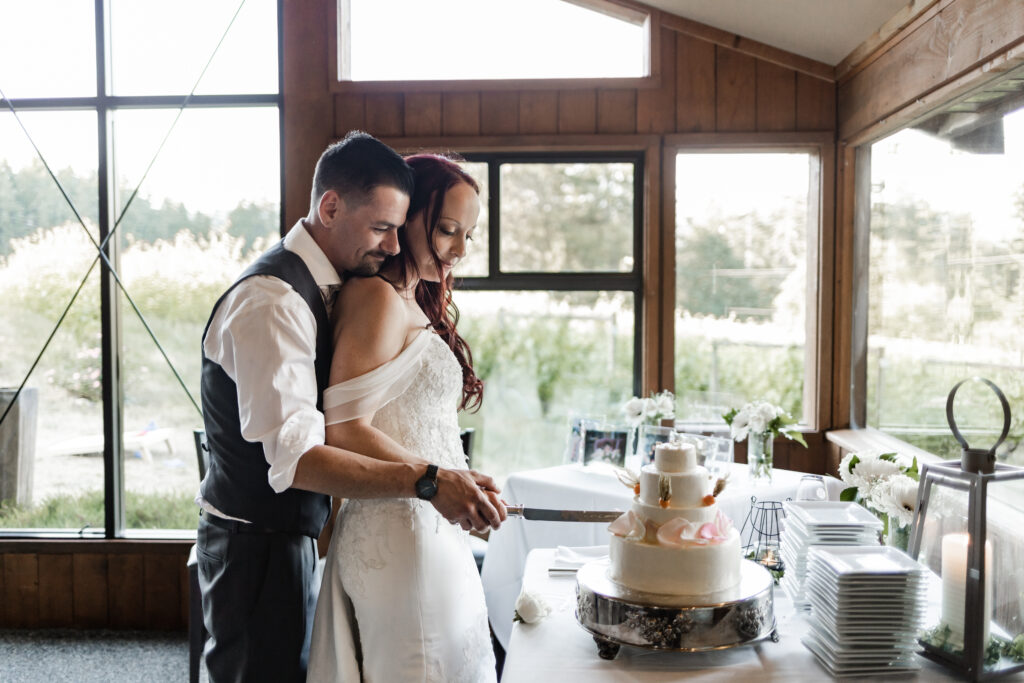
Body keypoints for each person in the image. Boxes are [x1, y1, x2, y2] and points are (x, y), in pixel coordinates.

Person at [197, 132, 505, 683]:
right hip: (254, 543)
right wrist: (432, 482)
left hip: (295, 534)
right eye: (382, 228)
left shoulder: (332, 286)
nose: (391, 247)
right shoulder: (274, 301)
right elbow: (301, 459)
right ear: (330, 206)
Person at [307, 154, 497, 682]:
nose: (458, 250)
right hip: (400, 534)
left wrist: (461, 482)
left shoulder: (414, 300)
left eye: (468, 236)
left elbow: (409, 420)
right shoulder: (377, 298)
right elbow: (342, 430)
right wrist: (438, 482)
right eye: (446, 230)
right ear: (406, 219)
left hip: (429, 524)